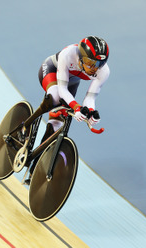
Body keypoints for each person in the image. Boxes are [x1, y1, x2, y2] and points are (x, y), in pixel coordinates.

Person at [25, 35, 110, 185]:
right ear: (81, 58)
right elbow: (62, 89)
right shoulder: (68, 54)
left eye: (99, 64)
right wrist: (76, 107)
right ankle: (27, 124)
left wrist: (90, 113)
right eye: (91, 63)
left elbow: (90, 98)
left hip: (72, 82)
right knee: (55, 97)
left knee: (57, 124)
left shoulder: (104, 72)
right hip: (52, 71)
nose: (94, 68)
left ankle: (34, 169)